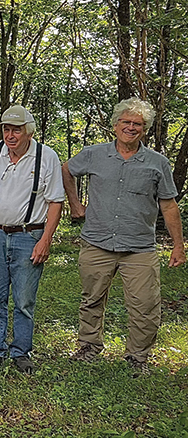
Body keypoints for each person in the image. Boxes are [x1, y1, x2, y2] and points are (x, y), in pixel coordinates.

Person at [62, 97, 186, 373]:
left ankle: (138, 357)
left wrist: (178, 245)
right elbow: (67, 170)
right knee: (91, 299)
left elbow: (168, 204)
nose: (131, 127)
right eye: (126, 122)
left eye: (138, 124)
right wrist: (75, 204)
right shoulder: (94, 154)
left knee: (145, 305)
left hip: (139, 247)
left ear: (145, 129)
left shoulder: (158, 163)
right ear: (115, 125)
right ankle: (88, 347)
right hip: (97, 241)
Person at [0, 105, 64, 374]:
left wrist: (46, 239)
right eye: (6, 129)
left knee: (24, 300)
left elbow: (56, 201)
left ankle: (21, 351)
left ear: (29, 131)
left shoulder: (46, 157)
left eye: (16, 130)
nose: (10, 135)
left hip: (29, 235)